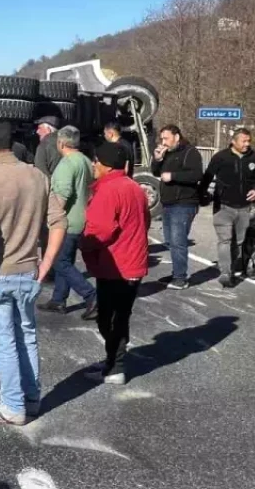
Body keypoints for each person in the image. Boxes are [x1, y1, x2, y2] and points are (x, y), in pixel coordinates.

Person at [0, 119, 66, 425]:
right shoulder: (38, 176)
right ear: (13, 144)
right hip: (29, 272)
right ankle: (31, 398)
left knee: (3, 341)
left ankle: (12, 406)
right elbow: (59, 223)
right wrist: (46, 265)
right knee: (26, 334)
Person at [80, 142, 150, 385]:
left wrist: (83, 244)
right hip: (132, 262)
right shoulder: (135, 187)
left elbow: (100, 231)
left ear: (106, 166)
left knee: (109, 318)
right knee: (119, 315)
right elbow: (145, 221)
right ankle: (113, 361)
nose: (93, 165)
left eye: (96, 161)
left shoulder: (109, 190)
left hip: (116, 265)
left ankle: (115, 367)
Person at [38, 125, 97, 318]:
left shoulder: (66, 165)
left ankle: (91, 295)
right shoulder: (86, 161)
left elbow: (61, 197)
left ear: (61, 143)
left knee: (59, 261)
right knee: (66, 260)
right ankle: (58, 300)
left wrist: (50, 220)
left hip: (66, 222)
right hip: (82, 218)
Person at [200, 127, 255, 287]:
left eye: (249, 141)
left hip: (244, 207)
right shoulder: (221, 157)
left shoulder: (254, 157)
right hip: (223, 206)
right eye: (244, 141)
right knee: (225, 240)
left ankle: (233, 266)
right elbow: (207, 177)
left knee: (238, 242)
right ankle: (225, 272)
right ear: (233, 141)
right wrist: (201, 195)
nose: (247, 144)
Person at [151, 125, 205, 289]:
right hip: (168, 203)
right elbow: (155, 172)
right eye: (162, 139)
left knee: (178, 241)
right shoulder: (167, 153)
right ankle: (177, 273)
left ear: (177, 137)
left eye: (166, 138)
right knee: (170, 241)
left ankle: (180, 278)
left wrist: (173, 176)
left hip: (184, 203)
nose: (163, 142)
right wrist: (158, 159)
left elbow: (196, 175)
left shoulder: (190, 152)